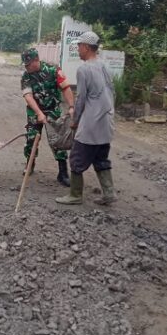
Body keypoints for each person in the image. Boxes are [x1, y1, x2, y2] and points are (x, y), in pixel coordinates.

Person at [55, 31, 117, 205]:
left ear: (87, 47)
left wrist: (75, 121)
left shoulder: (83, 69)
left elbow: (81, 99)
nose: (78, 49)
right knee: (101, 158)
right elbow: (113, 93)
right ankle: (109, 193)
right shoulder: (106, 66)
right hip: (106, 122)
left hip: (90, 124)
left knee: (76, 158)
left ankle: (75, 195)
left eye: (79, 46)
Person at [20, 48, 76, 186]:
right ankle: (30, 164)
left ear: (36, 60)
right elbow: (28, 96)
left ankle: (62, 173)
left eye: (28, 64)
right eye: (25, 64)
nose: (26, 67)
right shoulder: (26, 76)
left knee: (58, 140)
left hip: (52, 110)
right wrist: (39, 113)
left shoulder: (53, 70)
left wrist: (71, 107)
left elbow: (66, 88)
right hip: (34, 111)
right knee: (31, 138)